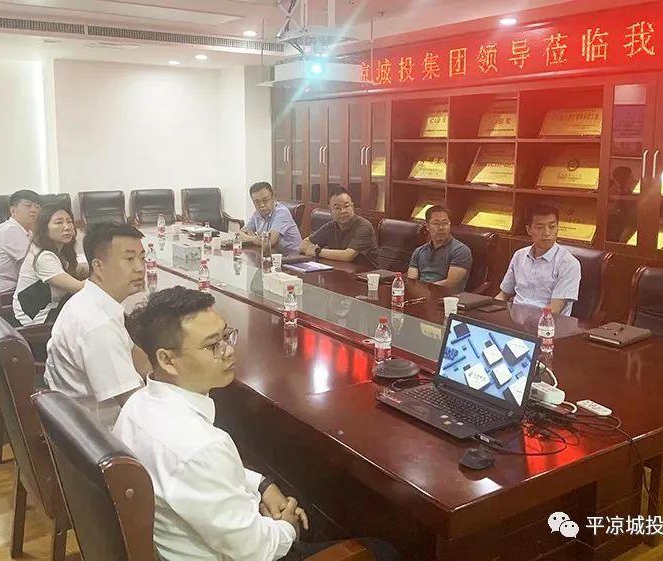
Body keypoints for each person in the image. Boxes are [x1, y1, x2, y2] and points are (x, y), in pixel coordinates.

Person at [115, 287, 398, 561]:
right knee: (382, 551)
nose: (228, 351)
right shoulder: (201, 446)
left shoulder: (136, 406)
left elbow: (204, 475)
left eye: (226, 336)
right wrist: (287, 525)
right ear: (168, 359)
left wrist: (261, 485)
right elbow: (258, 552)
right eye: (213, 345)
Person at [44, 222, 149, 429]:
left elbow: (140, 360)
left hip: (76, 419)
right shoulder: (98, 325)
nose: (140, 268)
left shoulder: (91, 300)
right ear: (98, 266)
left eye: (142, 258)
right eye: (129, 259)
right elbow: (134, 407)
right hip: (98, 435)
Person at [496, 205, 581, 316]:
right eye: (540, 227)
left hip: (548, 322)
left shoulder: (569, 263)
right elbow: (504, 295)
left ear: (557, 228)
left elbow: (555, 309)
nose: (546, 233)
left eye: (552, 226)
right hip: (515, 319)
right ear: (529, 230)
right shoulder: (519, 255)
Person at [13, 204, 85, 326]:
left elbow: (75, 269)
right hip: (39, 319)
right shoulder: (43, 257)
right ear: (44, 228)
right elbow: (78, 288)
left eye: (69, 221)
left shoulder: (59, 250)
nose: (67, 227)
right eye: (59, 222)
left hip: (54, 307)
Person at [0, 189, 41, 294]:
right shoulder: (10, 230)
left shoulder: (22, 230)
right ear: (13, 210)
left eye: (37, 206)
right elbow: (36, 263)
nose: (34, 210)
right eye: (28, 206)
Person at [298, 187, 377, 266]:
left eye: (346, 206)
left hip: (364, 272)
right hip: (339, 269)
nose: (343, 211)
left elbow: (348, 256)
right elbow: (303, 244)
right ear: (330, 211)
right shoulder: (331, 226)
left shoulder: (363, 226)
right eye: (337, 208)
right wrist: (313, 250)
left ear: (352, 207)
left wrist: (317, 251)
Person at [407, 205, 472, 292]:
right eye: (436, 223)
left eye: (445, 223)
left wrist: (425, 290)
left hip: (446, 296)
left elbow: (450, 283)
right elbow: (412, 280)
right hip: (421, 294)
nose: (441, 228)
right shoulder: (419, 251)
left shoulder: (461, 250)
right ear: (427, 226)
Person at [238, 182, 302, 256]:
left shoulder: (281, 212)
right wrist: (252, 239)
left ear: (273, 197)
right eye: (257, 202)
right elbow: (239, 233)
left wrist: (250, 237)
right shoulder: (257, 214)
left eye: (265, 200)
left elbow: (269, 241)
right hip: (272, 254)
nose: (262, 205)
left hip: (291, 258)